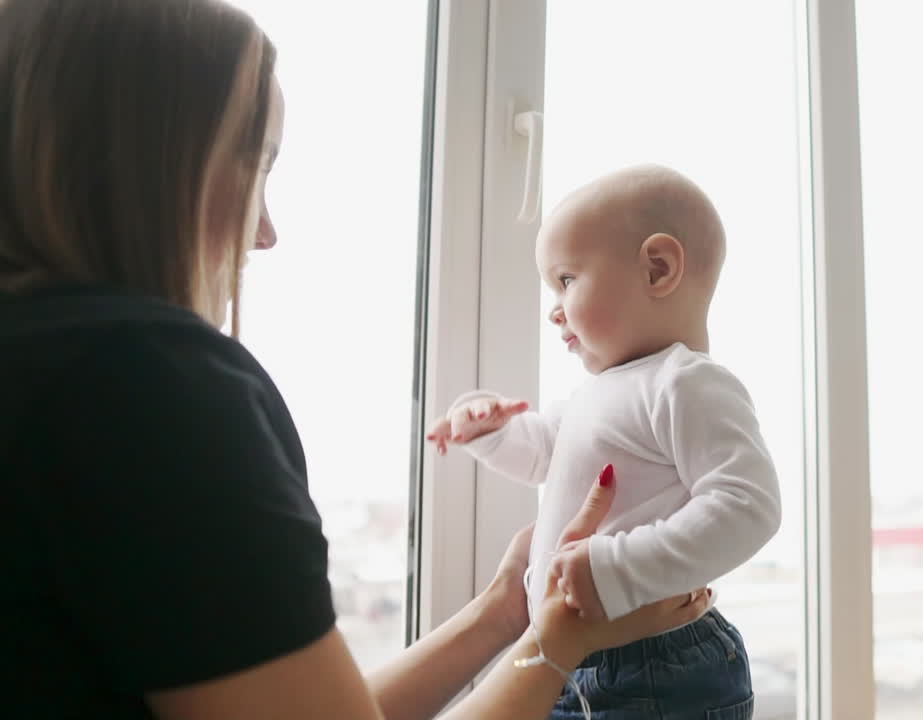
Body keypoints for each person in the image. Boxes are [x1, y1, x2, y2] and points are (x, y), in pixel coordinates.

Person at [0, 1, 709, 719]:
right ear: (140, 163)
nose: (266, 232)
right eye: (254, 165)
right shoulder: (147, 384)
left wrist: (503, 614)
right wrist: (559, 643)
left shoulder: (46, 368)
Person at [427, 164, 781, 718]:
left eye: (566, 280)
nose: (554, 307)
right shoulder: (599, 391)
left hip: (656, 658)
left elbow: (749, 506)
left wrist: (617, 569)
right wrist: (490, 431)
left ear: (658, 270)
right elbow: (542, 451)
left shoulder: (687, 382)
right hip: (580, 651)